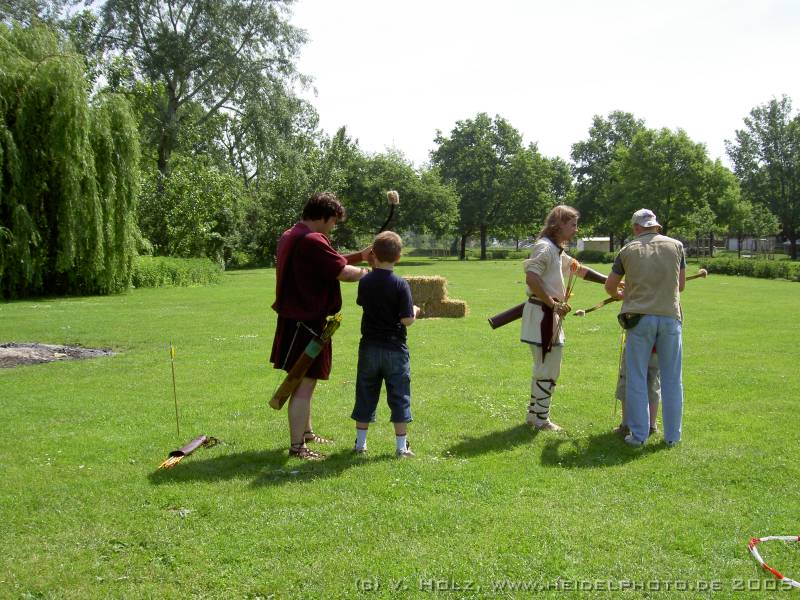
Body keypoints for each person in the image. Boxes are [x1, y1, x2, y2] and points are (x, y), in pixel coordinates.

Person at [270, 191, 371, 460]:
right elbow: (342, 272)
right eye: (334, 221)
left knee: (305, 382)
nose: (333, 227)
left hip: (296, 322)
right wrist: (370, 273)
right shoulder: (312, 240)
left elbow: (328, 261)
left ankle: (306, 434)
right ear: (325, 217)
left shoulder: (294, 234)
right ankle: (297, 447)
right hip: (306, 324)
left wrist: (360, 256)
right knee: (303, 384)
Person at [521, 205, 610, 431]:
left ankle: (534, 415)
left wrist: (611, 282)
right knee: (548, 368)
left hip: (547, 314)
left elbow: (579, 270)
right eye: (573, 224)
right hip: (543, 315)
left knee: (545, 367)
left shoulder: (555, 250)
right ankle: (540, 419)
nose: (576, 229)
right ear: (558, 224)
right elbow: (532, 278)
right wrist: (553, 304)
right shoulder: (545, 247)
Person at [605, 208, 686, 447]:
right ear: (656, 225)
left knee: (637, 377)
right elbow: (680, 285)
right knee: (672, 379)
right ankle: (672, 437)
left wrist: (621, 294)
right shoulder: (677, 246)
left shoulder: (627, 250)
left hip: (639, 318)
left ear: (636, 227)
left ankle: (638, 435)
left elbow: (610, 286)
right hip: (670, 316)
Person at [351, 231, 420, 457]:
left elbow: (363, 302)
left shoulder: (365, 281)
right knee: (399, 395)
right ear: (398, 256)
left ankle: (360, 444)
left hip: (369, 347)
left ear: (373, 254)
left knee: (365, 393)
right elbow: (406, 320)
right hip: (395, 349)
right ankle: (401, 447)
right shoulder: (401, 284)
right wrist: (415, 311)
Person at [614, 346, 660, 436]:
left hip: (635, 345)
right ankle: (651, 425)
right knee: (653, 383)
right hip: (655, 348)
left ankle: (626, 425)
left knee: (627, 380)